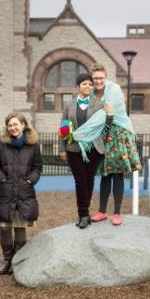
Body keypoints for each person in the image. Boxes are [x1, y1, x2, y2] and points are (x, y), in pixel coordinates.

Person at [73, 63, 140, 227]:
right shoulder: (92, 92)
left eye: (100, 78)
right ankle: (102, 211)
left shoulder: (114, 89)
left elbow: (106, 113)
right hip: (101, 134)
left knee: (117, 173)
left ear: (106, 77)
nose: (97, 81)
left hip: (118, 132)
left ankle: (117, 213)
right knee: (104, 173)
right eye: (95, 78)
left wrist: (80, 133)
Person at [59, 73, 114, 229]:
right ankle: (83, 214)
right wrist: (62, 148)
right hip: (74, 148)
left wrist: (110, 114)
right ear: (78, 87)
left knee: (89, 180)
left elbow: (107, 126)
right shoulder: (69, 105)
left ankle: (85, 212)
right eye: (84, 84)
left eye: (90, 84)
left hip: (93, 148)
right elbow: (63, 126)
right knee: (80, 181)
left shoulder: (99, 104)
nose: (88, 87)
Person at [0, 113, 42, 275]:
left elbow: (37, 167)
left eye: (16, 124)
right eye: (10, 125)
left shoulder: (32, 145)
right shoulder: (1, 144)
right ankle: (7, 261)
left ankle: (17, 261)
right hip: (6, 192)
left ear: (23, 125)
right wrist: (3, 180)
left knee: (20, 228)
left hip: (24, 191)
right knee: (5, 228)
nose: (13, 128)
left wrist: (30, 180)